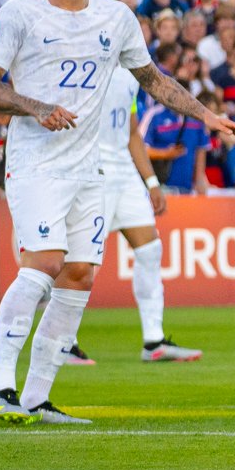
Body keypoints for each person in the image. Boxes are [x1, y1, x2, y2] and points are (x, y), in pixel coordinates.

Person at [0, 0, 235, 427]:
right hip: (35, 164)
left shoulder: (116, 17)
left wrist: (207, 115)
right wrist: (35, 106)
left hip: (89, 167)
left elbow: (153, 80)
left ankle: (35, 399)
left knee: (80, 274)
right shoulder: (19, 13)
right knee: (44, 263)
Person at [79, 81, 201, 364]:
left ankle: (153, 341)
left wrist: (151, 182)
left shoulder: (130, 76)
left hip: (124, 173)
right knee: (83, 262)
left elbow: (131, 130)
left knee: (150, 250)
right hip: (92, 171)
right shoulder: (90, 58)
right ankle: (64, 342)